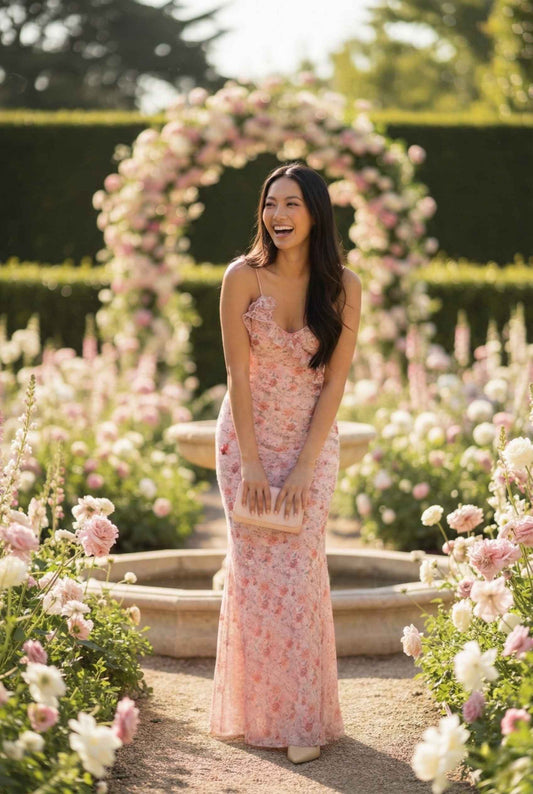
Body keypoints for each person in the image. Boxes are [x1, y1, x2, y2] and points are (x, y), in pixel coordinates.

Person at [208, 161, 361, 764]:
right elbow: (236, 374)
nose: (278, 215)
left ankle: (302, 718)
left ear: (316, 213)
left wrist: (304, 465)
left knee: (299, 574)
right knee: (254, 576)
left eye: (292, 203)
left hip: (311, 443)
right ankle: (257, 713)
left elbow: (336, 383)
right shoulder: (241, 277)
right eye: (271, 204)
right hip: (244, 442)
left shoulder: (345, 286)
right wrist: (250, 462)